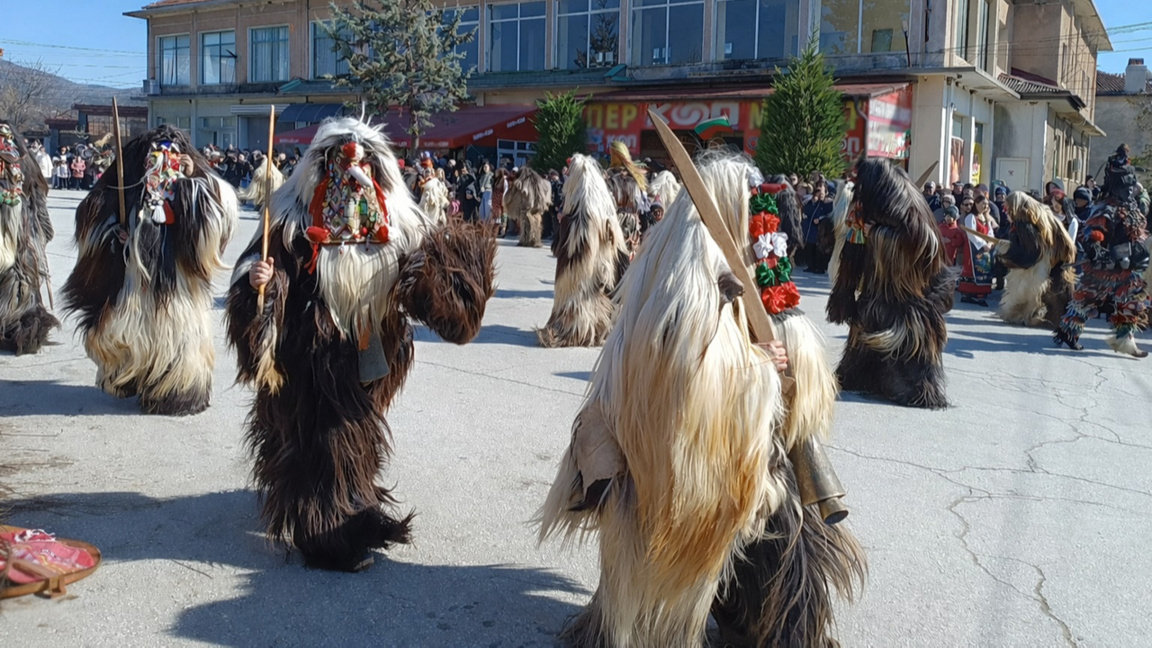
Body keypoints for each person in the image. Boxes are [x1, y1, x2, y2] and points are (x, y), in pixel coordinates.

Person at [538, 154, 862, 647]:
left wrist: (790, 352)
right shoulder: (683, 276)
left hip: (737, 458)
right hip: (667, 465)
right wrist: (760, 366)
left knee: (780, 533)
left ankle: (751, 620)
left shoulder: (735, 258)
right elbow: (686, 378)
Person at [226, 118, 497, 572]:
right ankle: (329, 538)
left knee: (357, 437)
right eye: (337, 164)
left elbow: (428, 294)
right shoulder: (292, 220)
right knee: (326, 439)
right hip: (313, 355)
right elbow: (261, 273)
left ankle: (354, 506)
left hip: (369, 349)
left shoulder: (396, 225)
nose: (351, 175)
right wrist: (262, 284)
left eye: (363, 164)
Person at [61, 125, 239, 414]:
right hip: (137, 278)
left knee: (180, 336)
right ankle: (133, 377)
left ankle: (179, 388)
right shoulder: (130, 189)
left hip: (180, 280)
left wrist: (193, 178)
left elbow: (222, 213)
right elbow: (93, 214)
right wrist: (117, 235)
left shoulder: (193, 183)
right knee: (133, 331)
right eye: (154, 157)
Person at [827, 158, 953, 408]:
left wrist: (877, 235)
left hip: (912, 295)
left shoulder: (907, 203)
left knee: (905, 348)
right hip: (878, 289)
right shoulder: (870, 203)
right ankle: (860, 376)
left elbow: (924, 246)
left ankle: (917, 389)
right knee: (866, 332)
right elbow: (854, 245)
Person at [1056, 144, 1149, 356]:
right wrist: (1099, 252)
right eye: (1126, 185)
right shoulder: (1105, 208)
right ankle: (1068, 333)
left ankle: (1126, 341)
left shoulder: (1130, 207)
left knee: (1131, 302)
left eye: (1131, 185)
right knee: (1084, 302)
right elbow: (1091, 236)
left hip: (1126, 268)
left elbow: (1140, 218)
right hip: (1103, 268)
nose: (1129, 189)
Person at [537, 154, 629, 348]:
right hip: (602, 279)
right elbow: (621, 257)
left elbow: (558, 249)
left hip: (575, 284)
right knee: (599, 295)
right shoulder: (608, 217)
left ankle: (575, 330)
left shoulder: (574, 218)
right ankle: (597, 329)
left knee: (578, 300)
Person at [0, 124, 58, 354]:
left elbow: (37, 198)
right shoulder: (28, 162)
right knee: (21, 279)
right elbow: (39, 198)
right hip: (22, 229)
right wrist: (44, 229)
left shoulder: (25, 163)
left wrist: (42, 227)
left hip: (22, 228)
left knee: (21, 279)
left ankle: (16, 326)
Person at [994, 191, 1076, 328]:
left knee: (1032, 286)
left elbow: (1031, 252)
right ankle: (1057, 318)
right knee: (1055, 288)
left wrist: (1008, 251)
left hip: (1051, 255)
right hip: (1056, 254)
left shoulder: (1024, 220)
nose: (1006, 211)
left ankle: (1030, 315)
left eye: (1007, 208)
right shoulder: (1037, 213)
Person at [957, 195, 996, 305]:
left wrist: (990, 242)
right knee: (972, 270)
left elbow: (990, 233)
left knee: (984, 270)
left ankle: (981, 295)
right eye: (983, 204)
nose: (985, 206)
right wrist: (983, 244)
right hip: (973, 248)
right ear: (977, 203)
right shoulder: (971, 217)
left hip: (985, 249)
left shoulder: (986, 218)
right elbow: (971, 234)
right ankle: (967, 294)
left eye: (987, 204)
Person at [802, 182, 833, 273]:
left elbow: (829, 213)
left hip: (822, 229)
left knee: (820, 248)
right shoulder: (812, 202)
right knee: (810, 247)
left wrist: (820, 218)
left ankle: (821, 267)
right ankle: (811, 265)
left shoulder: (827, 201)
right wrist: (813, 201)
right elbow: (807, 211)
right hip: (811, 227)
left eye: (821, 189)